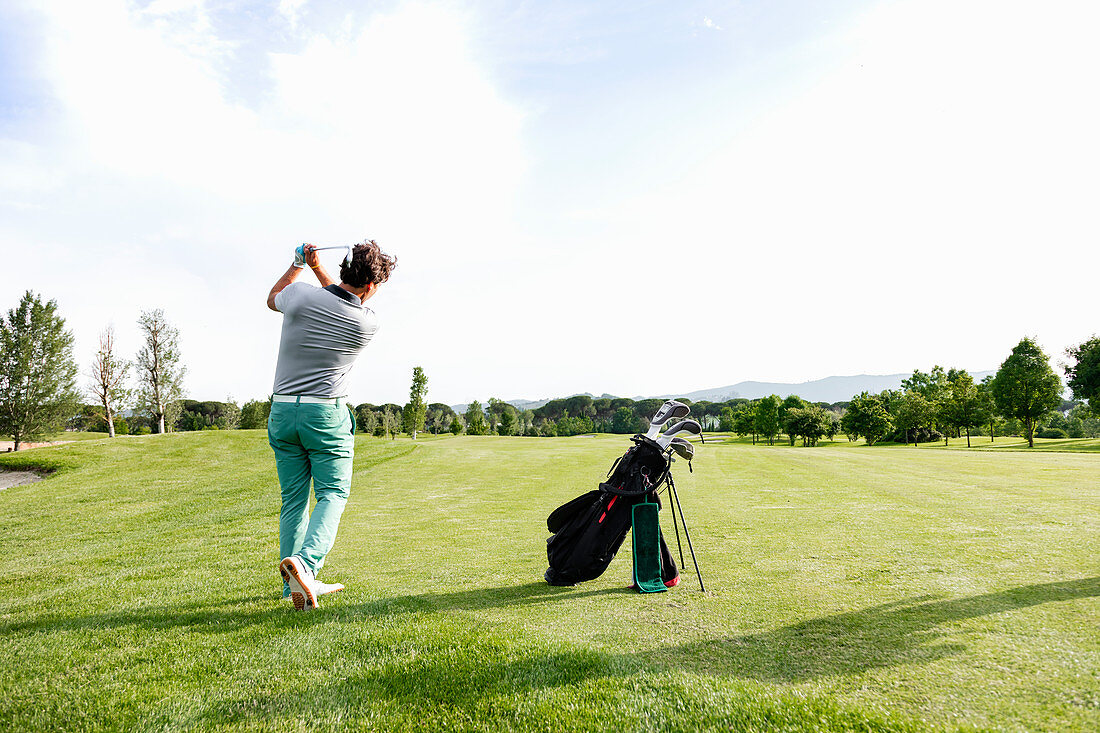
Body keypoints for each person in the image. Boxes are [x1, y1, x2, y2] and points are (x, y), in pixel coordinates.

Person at [266, 240, 397, 610]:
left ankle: (291, 583)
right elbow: (341, 301)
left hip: (282, 412)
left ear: (343, 270)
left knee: (293, 499)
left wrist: (299, 265)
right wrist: (318, 270)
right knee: (333, 494)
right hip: (324, 416)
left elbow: (275, 296)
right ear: (371, 287)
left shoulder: (300, 295)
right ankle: (305, 568)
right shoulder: (366, 322)